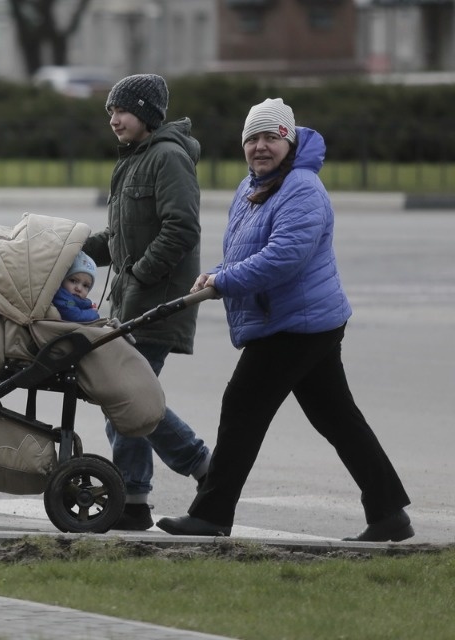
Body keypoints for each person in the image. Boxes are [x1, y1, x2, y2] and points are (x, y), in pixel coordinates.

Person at [156, 98, 413, 542]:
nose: (260, 147)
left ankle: (212, 514)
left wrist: (225, 280)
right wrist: (217, 274)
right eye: (252, 138)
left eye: (270, 137)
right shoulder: (253, 186)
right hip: (294, 320)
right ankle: (389, 512)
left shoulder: (301, 187)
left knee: (242, 407)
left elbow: (284, 258)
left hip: (297, 324)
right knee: (337, 418)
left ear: (288, 141)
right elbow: (246, 249)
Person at [82, 73, 211, 531]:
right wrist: (68, 249)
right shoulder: (135, 159)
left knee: (128, 398)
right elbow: (120, 238)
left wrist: (139, 274)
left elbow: (181, 228)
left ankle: (204, 470)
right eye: (111, 112)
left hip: (157, 304)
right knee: (125, 399)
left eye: (123, 111)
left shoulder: (168, 158)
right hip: (133, 301)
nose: (114, 119)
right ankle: (134, 500)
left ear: (148, 115)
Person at [52, 251, 100, 322]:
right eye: (73, 281)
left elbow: (75, 304)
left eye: (85, 285)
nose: (79, 288)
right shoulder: (63, 299)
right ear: (62, 279)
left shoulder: (71, 300)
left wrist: (88, 306)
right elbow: (75, 316)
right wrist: (93, 313)